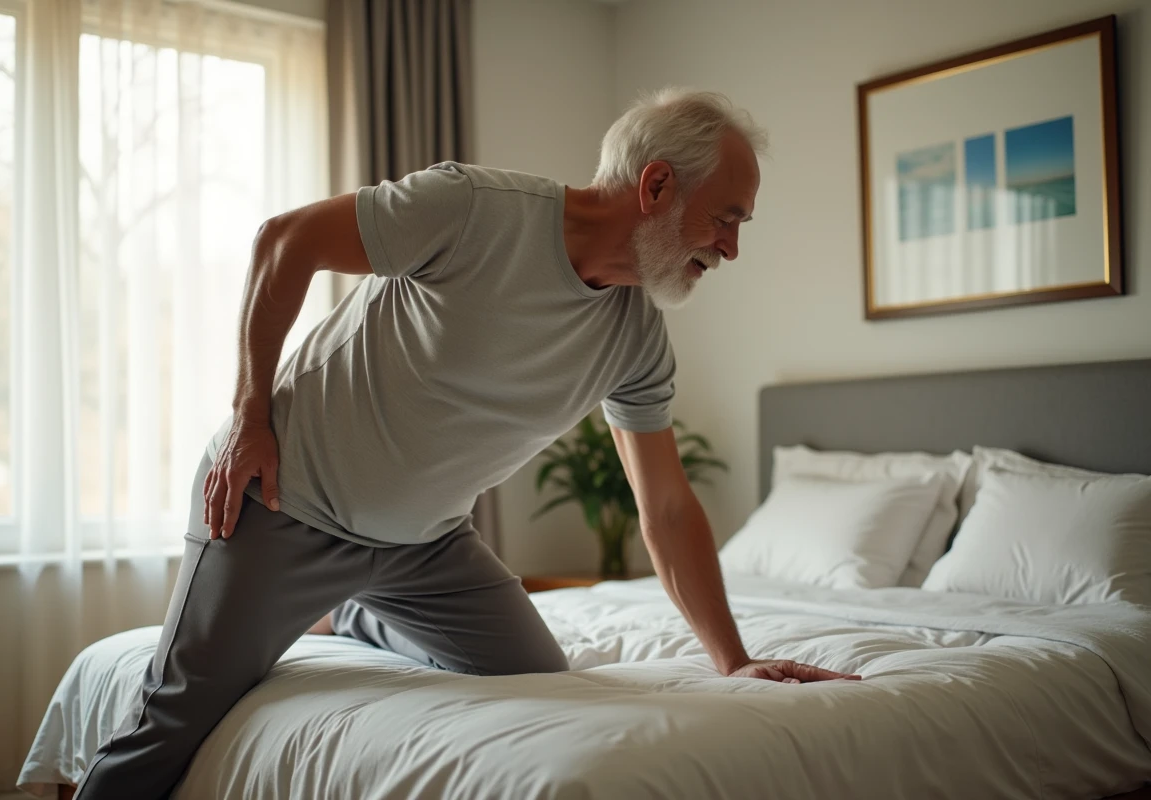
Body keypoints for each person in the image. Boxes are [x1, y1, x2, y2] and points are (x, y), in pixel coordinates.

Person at [72, 87, 859, 799]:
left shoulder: (636, 341)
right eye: (726, 218)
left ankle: (353, 611)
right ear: (656, 186)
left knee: (543, 681)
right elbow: (286, 240)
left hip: (426, 548)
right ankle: (335, 598)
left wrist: (732, 659)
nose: (730, 249)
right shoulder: (475, 208)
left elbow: (664, 504)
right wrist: (249, 415)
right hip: (283, 503)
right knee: (172, 723)